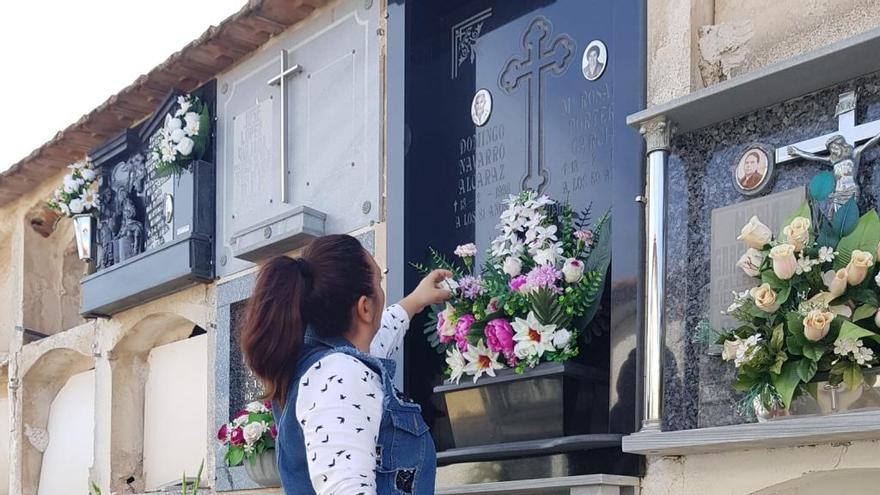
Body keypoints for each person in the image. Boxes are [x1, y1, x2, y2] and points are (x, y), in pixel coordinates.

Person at [239, 234, 452, 495]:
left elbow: (376, 338)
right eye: (379, 281)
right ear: (364, 308)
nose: (382, 291)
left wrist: (414, 302)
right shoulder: (339, 374)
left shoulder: (327, 363)